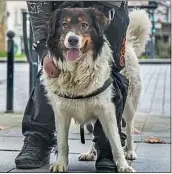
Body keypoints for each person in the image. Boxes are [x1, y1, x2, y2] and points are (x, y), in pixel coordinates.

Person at [15, 1, 130, 172]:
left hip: (109, 8)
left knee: (110, 79)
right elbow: (38, 10)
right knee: (49, 77)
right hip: (59, 5)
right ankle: (37, 139)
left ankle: (107, 148)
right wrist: (44, 53)